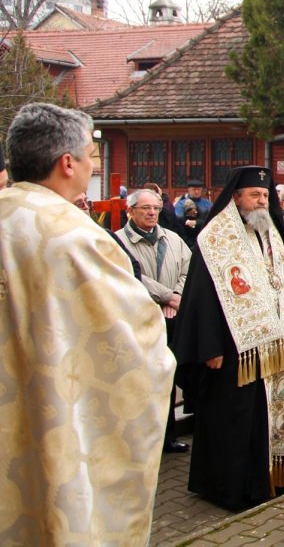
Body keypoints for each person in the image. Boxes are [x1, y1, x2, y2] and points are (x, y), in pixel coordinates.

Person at [1, 102, 174, 544]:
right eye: (90, 156)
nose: (92, 166)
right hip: (48, 409)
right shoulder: (76, 237)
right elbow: (133, 339)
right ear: (67, 163)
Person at [171, 166, 284, 510]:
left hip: (274, 345)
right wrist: (210, 346)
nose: (261, 201)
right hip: (233, 348)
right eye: (254, 195)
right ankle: (229, 487)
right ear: (236, 198)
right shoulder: (215, 237)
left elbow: (278, 285)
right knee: (234, 419)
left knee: (268, 416)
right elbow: (202, 297)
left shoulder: (271, 232)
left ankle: (273, 478)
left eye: (265, 195)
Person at [116, 187, 194, 454]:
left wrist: (177, 296)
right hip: (138, 320)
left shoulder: (172, 238)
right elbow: (130, 275)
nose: (152, 213)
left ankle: (168, 437)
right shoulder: (118, 242)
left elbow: (188, 269)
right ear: (130, 211)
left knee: (168, 377)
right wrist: (166, 297)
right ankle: (139, 442)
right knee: (139, 381)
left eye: (156, 208)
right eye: (145, 208)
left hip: (172, 318)